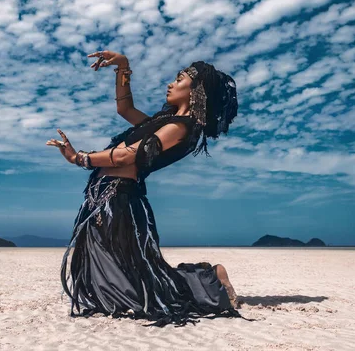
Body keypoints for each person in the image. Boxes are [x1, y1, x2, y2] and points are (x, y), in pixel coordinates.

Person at [47, 50, 249, 327]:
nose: (170, 84)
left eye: (178, 80)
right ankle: (206, 277)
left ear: (196, 92)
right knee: (112, 275)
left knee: (135, 288)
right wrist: (123, 67)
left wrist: (78, 158)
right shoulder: (161, 122)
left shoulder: (181, 128)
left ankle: (210, 280)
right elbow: (125, 109)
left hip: (119, 199)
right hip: (101, 195)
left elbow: (125, 156)